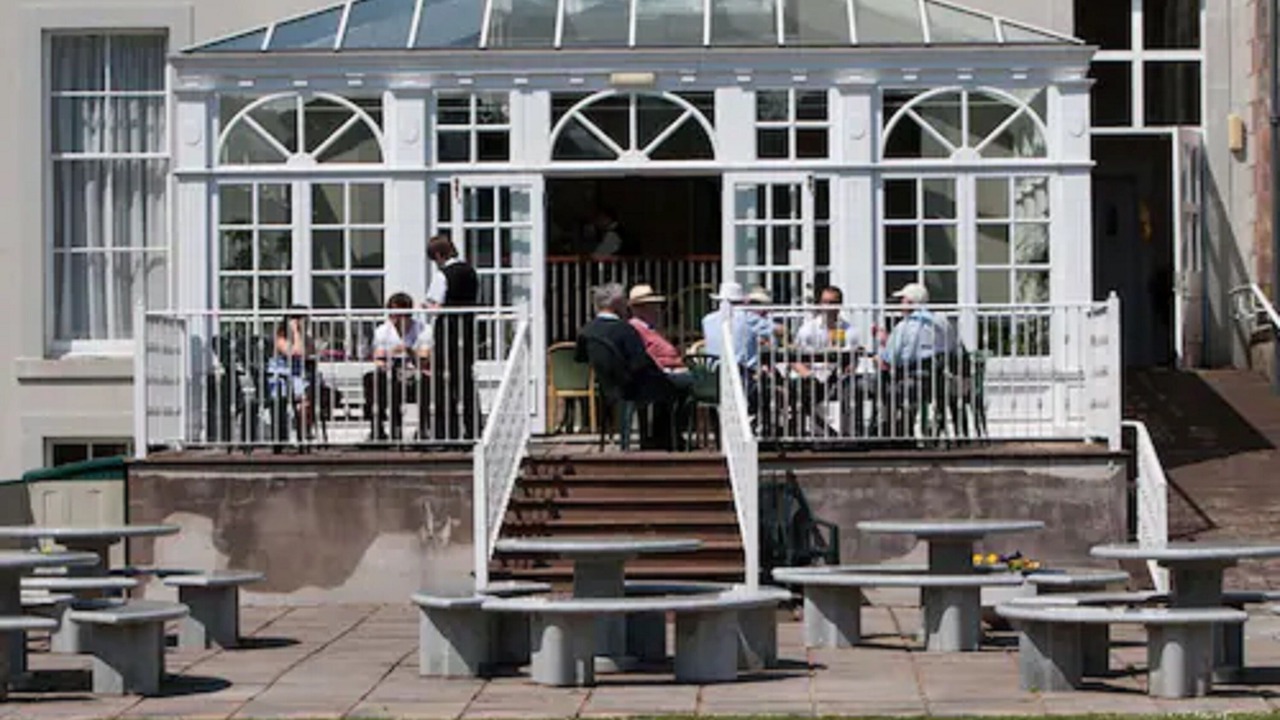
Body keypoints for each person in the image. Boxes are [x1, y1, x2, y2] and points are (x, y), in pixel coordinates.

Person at [576, 283, 691, 450]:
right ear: (617, 304)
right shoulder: (625, 330)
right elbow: (640, 362)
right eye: (623, 303)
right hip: (633, 387)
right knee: (685, 385)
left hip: (608, 387)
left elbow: (581, 358)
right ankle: (669, 437)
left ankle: (658, 436)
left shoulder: (586, 331)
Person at [877, 281, 958, 436]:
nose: (900, 305)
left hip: (913, 380)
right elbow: (952, 346)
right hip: (939, 379)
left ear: (911, 303)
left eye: (903, 301)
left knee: (881, 385)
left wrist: (883, 345)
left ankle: (891, 431)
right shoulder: (942, 322)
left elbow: (891, 359)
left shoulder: (905, 326)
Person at [427, 235, 480, 442]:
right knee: (466, 380)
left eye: (434, 258)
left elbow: (435, 308)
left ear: (439, 255)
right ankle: (473, 427)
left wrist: (426, 307)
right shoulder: (471, 272)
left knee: (444, 381)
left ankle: (447, 430)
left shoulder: (443, 275)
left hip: (448, 333)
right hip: (466, 331)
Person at [791, 286, 863, 436]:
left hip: (838, 380)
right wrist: (808, 374)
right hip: (812, 379)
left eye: (832, 303)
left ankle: (846, 434)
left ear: (840, 305)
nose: (828, 307)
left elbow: (852, 360)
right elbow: (794, 359)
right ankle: (806, 433)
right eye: (825, 302)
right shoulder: (808, 329)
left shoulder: (849, 331)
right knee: (800, 391)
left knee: (854, 387)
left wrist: (849, 369)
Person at [364, 293, 433, 441]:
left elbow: (424, 360)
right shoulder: (382, 330)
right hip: (392, 372)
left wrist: (409, 351)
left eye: (400, 314)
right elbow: (379, 360)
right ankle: (378, 428)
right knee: (372, 379)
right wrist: (391, 354)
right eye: (392, 313)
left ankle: (423, 428)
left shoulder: (423, 329)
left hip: (415, 373)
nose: (395, 318)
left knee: (427, 381)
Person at [268, 307, 316, 440]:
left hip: (300, 376)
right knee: (299, 396)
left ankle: (305, 431)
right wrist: (295, 332)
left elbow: (310, 352)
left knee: (310, 396)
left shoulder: (306, 338)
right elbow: (297, 352)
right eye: (301, 319)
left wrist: (300, 336)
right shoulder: (281, 338)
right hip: (282, 378)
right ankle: (296, 432)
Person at [627, 284, 684, 371]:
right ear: (638, 309)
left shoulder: (649, 327)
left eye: (656, 305)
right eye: (652, 306)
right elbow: (644, 358)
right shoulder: (635, 328)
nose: (657, 310)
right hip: (662, 374)